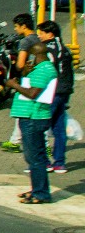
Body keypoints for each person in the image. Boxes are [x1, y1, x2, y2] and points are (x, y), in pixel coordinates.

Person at [5, 39, 59, 204]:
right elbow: (31, 85)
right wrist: (24, 75)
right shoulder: (39, 68)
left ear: (35, 54)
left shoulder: (44, 69)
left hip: (34, 117)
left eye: (29, 55)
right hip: (29, 116)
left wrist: (13, 85)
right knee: (34, 157)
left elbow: (33, 93)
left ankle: (41, 193)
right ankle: (37, 189)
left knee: (34, 157)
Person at [38, 20, 74, 175]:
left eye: (42, 33)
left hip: (51, 93)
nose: (39, 36)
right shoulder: (65, 49)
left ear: (50, 34)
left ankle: (44, 162)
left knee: (40, 127)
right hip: (64, 92)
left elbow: (46, 72)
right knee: (59, 129)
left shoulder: (47, 50)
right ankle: (60, 163)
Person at [1, 13, 38, 152]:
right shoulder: (37, 38)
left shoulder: (25, 42)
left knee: (25, 111)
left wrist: (16, 66)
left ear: (24, 26)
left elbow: (21, 64)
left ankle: (41, 146)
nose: (15, 29)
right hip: (38, 79)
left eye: (17, 26)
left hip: (28, 80)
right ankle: (14, 141)